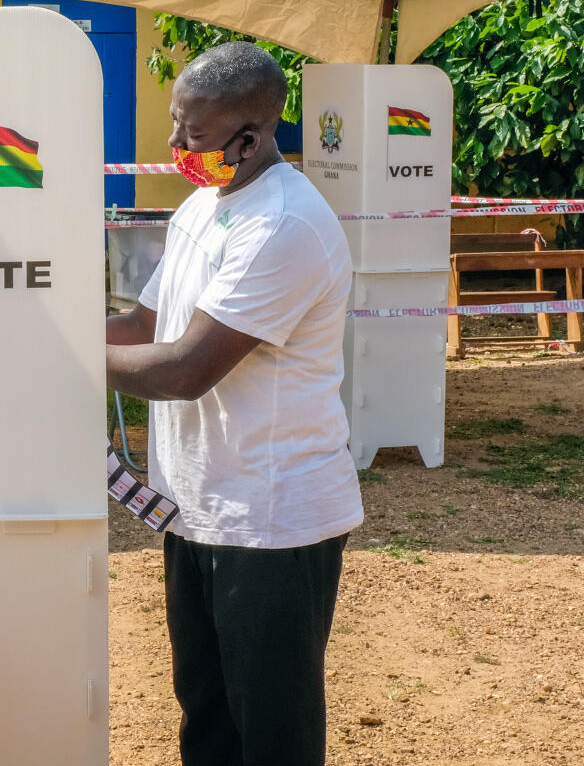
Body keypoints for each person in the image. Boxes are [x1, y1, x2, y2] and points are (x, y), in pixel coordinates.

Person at [105, 41, 362, 766]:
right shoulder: (205, 203)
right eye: (176, 124)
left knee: (271, 733)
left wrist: (54, 360)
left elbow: (186, 368)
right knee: (209, 717)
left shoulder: (282, 225)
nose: (175, 144)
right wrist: (46, 330)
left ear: (249, 140)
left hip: (273, 521)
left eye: (193, 132)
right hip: (198, 508)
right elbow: (146, 327)